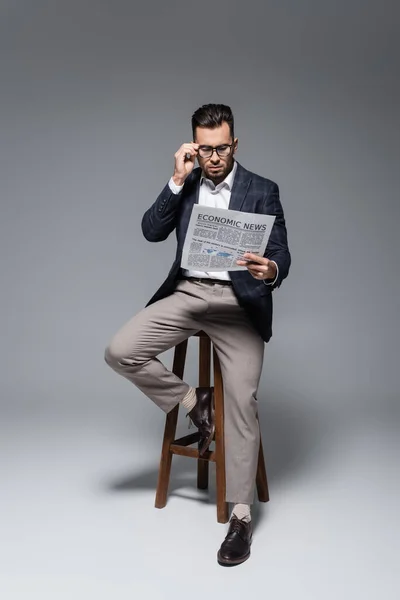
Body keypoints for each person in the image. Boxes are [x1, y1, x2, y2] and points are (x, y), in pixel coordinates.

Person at [104, 103, 291, 566]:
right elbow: (150, 231)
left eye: (221, 148)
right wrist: (174, 178)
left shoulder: (262, 189)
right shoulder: (185, 184)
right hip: (188, 293)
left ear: (235, 144)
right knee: (120, 351)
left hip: (238, 305)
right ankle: (196, 403)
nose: (213, 157)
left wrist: (270, 269)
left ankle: (241, 517)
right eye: (204, 149)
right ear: (193, 146)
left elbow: (283, 254)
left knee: (243, 400)